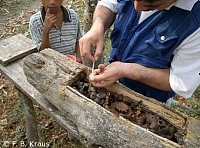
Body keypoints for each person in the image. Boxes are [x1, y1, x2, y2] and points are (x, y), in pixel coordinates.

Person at [79, 0, 200, 103]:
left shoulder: (195, 22)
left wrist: (126, 70)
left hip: (148, 100)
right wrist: (98, 25)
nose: (137, 8)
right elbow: (109, 3)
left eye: (150, 6)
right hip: (113, 84)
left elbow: (180, 82)